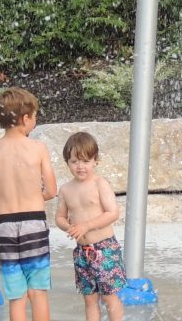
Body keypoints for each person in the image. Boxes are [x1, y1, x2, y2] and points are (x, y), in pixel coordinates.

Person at [0, 86, 59, 321]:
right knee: (37, 291)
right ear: (25, 119)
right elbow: (51, 190)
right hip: (33, 222)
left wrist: (3, 197)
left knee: (17, 294)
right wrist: (33, 196)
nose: (35, 121)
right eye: (35, 117)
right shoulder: (37, 148)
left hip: (5, 226)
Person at [55, 131, 127, 321]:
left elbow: (112, 213)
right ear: (67, 162)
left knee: (110, 297)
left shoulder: (99, 184)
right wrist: (68, 227)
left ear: (96, 160)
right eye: (74, 161)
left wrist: (86, 225)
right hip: (82, 252)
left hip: (105, 250)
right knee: (89, 299)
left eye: (85, 161)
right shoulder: (65, 190)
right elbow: (60, 218)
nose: (80, 167)